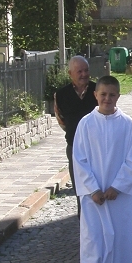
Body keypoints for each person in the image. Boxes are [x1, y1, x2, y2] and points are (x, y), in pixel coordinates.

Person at [72, 76, 132, 263]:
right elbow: (79, 159)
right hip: (94, 198)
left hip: (116, 196)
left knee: (117, 238)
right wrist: (92, 189)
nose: (107, 99)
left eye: (112, 95)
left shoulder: (126, 124)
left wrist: (117, 186)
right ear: (96, 95)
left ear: (118, 96)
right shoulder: (86, 124)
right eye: (103, 94)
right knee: (93, 241)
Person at [54, 55, 97, 218]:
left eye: (86, 70)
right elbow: (61, 120)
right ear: (70, 73)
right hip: (75, 148)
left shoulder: (97, 90)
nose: (84, 74)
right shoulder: (61, 94)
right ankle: (85, 226)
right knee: (81, 190)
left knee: (99, 187)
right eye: (79, 71)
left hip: (98, 147)